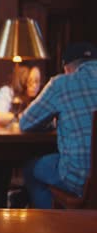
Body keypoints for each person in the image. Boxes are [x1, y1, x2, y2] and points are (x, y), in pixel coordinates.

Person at [19, 41, 97, 208]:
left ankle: (54, 225)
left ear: (67, 68)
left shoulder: (62, 83)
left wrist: (53, 122)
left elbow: (26, 122)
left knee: (31, 169)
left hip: (82, 178)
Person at [0, 64, 42, 208]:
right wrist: (21, 116)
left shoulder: (39, 97)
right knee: (2, 160)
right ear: (22, 80)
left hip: (22, 145)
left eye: (38, 81)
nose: (35, 85)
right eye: (31, 80)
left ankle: (22, 197)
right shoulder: (7, 92)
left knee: (40, 160)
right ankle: (0, 206)